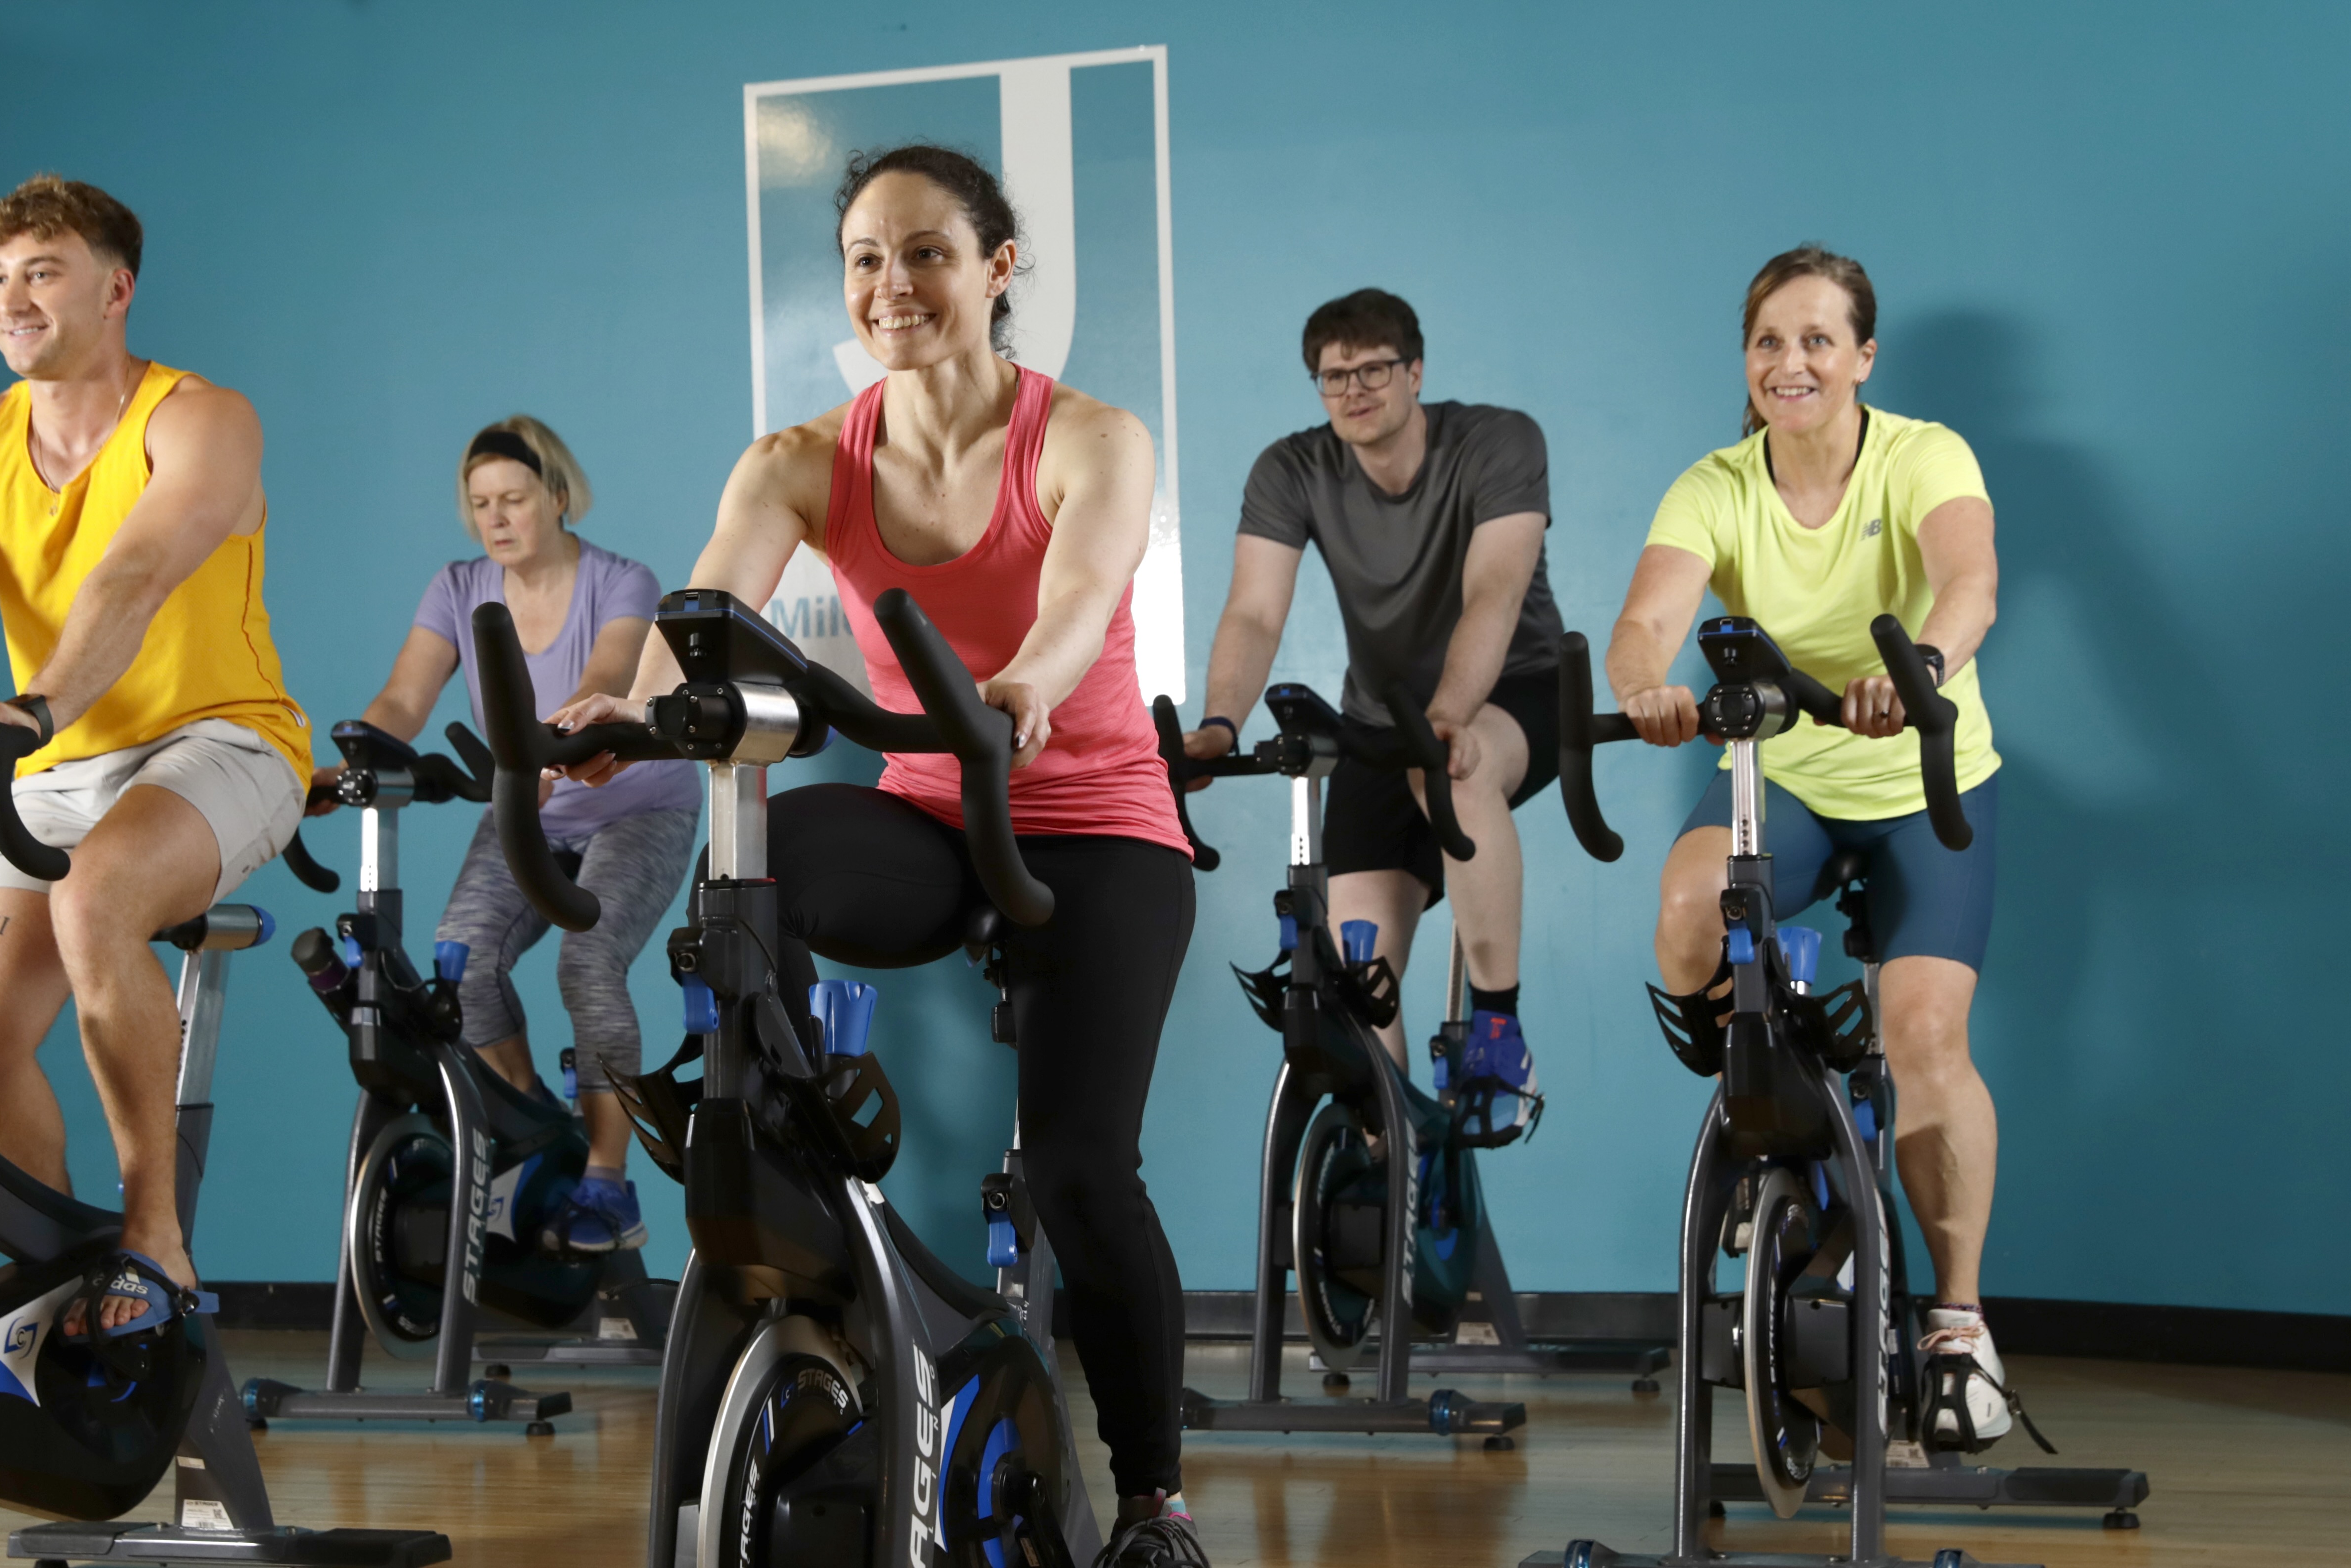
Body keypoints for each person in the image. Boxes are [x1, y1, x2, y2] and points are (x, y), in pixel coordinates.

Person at [552, 145, 1209, 1568]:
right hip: (928, 809)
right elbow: (705, 606)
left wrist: (1024, 686)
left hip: (1092, 819)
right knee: (766, 860)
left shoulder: (1090, 436)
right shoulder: (803, 458)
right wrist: (635, 702)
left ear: (995, 267)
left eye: (923, 252)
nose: (890, 284)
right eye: (863, 257)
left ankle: (1154, 1497)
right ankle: (791, 1142)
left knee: (1080, 1172)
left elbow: (1083, 593)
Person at [0, 174, 310, 1335]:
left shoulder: (200, 419)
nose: (12, 299)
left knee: (95, 903)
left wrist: (31, 707)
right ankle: (61, 1280)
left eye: (42, 272)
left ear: (116, 288)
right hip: (50, 767)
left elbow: (135, 574)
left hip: (222, 743)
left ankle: (154, 1244)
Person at [1609, 244, 2012, 1443]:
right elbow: (1646, 619)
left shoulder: (1922, 454)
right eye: (1768, 343)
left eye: (1816, 340)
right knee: (1687, 921)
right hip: (1777, 772)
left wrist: (1920, 670)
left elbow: (1969, 582)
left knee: (1926, 1032)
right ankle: (1784, 1122)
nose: (1790, 363)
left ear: (1861, 357)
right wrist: (1642, 687)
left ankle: (1955, 1324)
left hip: (1921, 773)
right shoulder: (1714, 485)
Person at [308, 415, 699, 1251]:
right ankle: (534, 1130)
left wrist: (556, 741)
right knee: (462, 960)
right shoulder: (458, 588)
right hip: (526, 808)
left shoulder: (623, 580)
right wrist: (343, 768)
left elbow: (609, 674)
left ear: (558, 497)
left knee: (587, 962)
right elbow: (403, 701)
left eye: (515, 498)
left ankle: (606, 1179)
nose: (498, 517)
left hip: (637, 803)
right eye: (481, 503)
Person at [1183, 287, 1560, 1136]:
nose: (1353, 390)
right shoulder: (1294, 468)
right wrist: (1218, 726)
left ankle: (1498, 1026)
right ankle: (1393, 1140)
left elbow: (1494, 594)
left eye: (1374, 370)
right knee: (1358, 970)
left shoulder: (1499, 440)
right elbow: (1254, 611)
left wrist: (1452, 716)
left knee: (1454, 783)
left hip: (1516, 689)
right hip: (1383, 723)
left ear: (1415, 371)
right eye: (1333, 377)